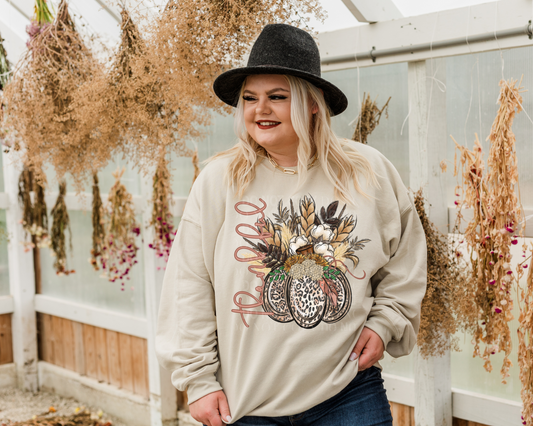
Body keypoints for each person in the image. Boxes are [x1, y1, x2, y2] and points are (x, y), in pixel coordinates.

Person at [156, 23, 427, 426]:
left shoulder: (367, 172)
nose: (259, 109)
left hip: (347, 392)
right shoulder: (220, 181)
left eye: (276, 97)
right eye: (250, 98)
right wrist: (199, 380)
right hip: (245, 402)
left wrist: (386, 322)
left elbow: (405, 258)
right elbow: (188, 285)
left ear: (312, 103)